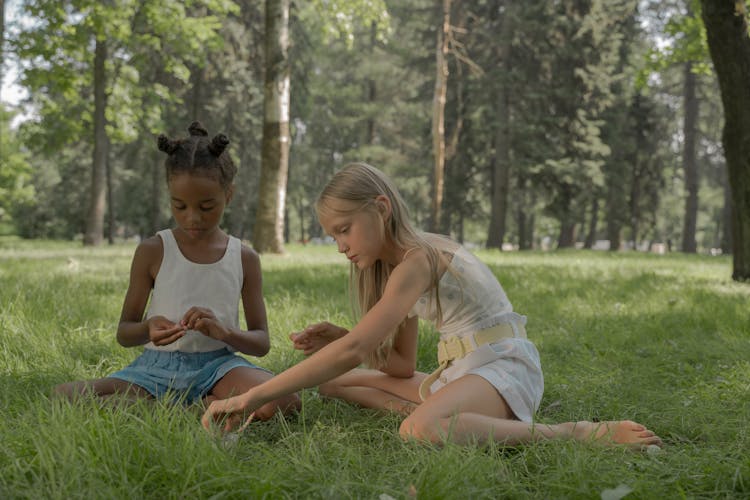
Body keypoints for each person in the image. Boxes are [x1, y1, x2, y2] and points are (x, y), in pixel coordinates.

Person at [202, 162, 661, 448]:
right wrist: (344, 338)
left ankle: (575, 433)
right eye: (333, 235)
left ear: (380, 207)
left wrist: (251, 396)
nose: (340, 245)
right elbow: (399, 366)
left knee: (416, 432)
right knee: (333, 386)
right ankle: (456, 419)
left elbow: (354, 352)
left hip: (505, 370)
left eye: (344, 229)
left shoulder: (418, 260)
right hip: (463, 373)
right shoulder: (395, 267)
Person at [54, 122, 300, 420]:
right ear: (169, 196)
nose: (192, 218)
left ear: (229, 195)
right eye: (179, 206)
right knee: (65, 395)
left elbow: (261, 343)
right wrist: (148, 328)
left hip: (219, 369)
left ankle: (172, 411)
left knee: (286, 401)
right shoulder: (153, 250)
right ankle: (199, 410)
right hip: (156, 369)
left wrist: (225, 332)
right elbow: (124, 333)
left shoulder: (244, 257)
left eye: (206, 206)